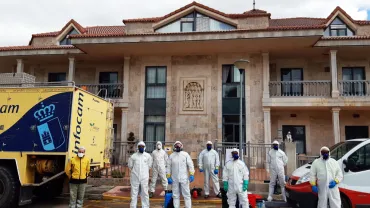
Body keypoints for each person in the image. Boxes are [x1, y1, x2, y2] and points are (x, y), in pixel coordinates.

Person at [166, 141, 195, 208]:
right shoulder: (171, 156)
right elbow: (168, 167)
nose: (178, 146)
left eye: (179, 145)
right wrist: (168, 176)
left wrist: (191, 174)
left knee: (187, 195)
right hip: (174, 179)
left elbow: (190, 165)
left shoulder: (185, 155)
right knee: (175, 195)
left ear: (181, 146)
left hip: (184, 179)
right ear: (174, 147)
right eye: (176, 145)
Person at [128, 141, 153, 208]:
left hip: (144, 177)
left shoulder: (148, 156)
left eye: (142, 146)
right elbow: (130, 166)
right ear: (137, 147)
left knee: (145, 193)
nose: (141, 148)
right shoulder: (133, 156)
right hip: (135, 177)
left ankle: (145, 206)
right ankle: (133, 206)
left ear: (144, 147)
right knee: (134, 193)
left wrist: (145, 173)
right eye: (139, 146)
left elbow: (150, 166)